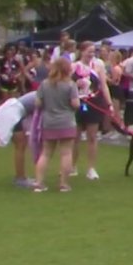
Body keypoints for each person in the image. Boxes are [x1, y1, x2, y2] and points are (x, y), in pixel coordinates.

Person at [33, 57, 80, 193]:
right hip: (66, 121)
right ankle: (64, 184)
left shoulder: (44, 84)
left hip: (49, 122)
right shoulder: (71, 85)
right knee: (66, 153)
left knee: (46, 153)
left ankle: (39, 183)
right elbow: (75, 104)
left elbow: (37, 103)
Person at [72, 41, 117, 181]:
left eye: (93, 51)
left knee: (92, 136)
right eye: (88, 51)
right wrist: (75, 84)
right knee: (75, 137)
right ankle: (72, 166)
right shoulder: (73, 66)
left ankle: (91, 168)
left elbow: (104, 85)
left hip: (94, 103)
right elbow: (66, 85)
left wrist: (109, 104)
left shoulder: (98, 65)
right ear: (82, 51)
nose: (91, 54)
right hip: (77, 103)